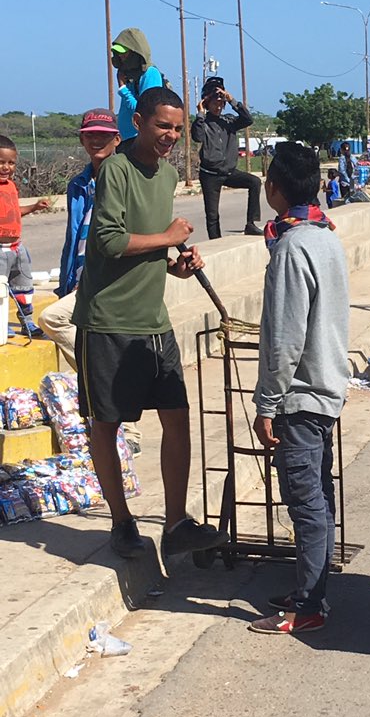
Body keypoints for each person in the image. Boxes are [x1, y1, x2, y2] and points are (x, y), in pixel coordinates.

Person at [73, 87, 228, 560]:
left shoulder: (166, 176)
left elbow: (149, 248)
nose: (171, 136)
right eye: (163, 126)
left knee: (176, 417)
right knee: (107, 423)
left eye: (178, 129)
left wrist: (174, 261)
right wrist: (168, 236)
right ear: (138, 121)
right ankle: (122, 522)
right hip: (108, 321)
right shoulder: (116, 169)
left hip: (153, 321)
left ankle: (177, 521)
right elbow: (108, 241)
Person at [249, 143, 350, 635]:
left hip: (301, 394)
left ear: (274, 187)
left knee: (306, 501)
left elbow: (285, 338)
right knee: (318, 497)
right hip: (326, 387)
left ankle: (308, 605)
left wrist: (266, 403)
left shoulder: (291, 247)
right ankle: (311, 590)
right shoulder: (326, 237)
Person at [37, 110, 141, 455]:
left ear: (116, 140)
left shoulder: (128, 177)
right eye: (89, 135)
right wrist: (67, 282)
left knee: (52, 319)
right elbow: (74, 236)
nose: (96, 141)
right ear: (82, 140)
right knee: (101, 354)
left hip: (110, 283)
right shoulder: (78, 184)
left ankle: (128, 426)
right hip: (81, 282)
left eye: (104, 135)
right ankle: (119, 419)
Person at [191, 75, 263, 238]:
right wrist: (200, 114)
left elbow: (248, 119)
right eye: (215, 102)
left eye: (220, 102)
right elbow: (197, 136)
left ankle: (251, 224)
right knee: (212, 215)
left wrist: (231, 100)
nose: (218, 106)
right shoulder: (203, 122)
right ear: (207, 103)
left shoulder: (229, 121)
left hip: (229, 171)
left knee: (254, 182)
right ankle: (215, 241)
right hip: (210, 174)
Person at [0, 134, 50, 338]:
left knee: (23, 286)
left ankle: (26, 322)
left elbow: (15, 211)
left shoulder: (11, 186)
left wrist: (35, 206)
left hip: (17, 248)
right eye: (1, 162)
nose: (6, 167)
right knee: (0, 289)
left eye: (11, 163)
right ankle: (2, 323)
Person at [111, 28, 164, 141]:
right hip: (125, 140)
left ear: (136, 53)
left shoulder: (150, 74)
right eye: (118, 53)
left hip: (139, 140)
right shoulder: (129, 75)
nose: (121, 56)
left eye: (124, 53)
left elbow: (145, 111)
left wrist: (123, 89)